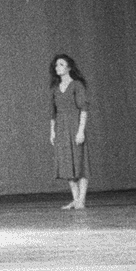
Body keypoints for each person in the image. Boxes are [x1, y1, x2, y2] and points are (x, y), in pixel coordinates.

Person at [49, 53, 90, 209]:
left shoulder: (76, 85)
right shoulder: (55, 89)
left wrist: (81, 131)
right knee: (67, 163)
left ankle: (82, 200)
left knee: (80, 162)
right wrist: (52, 131)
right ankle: (75, 198)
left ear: (69, 68)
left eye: (61, 64)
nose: (57, 67)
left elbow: (84, 108)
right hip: (61, 128)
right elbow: (53, 112)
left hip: (74, 126)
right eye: (56, 65)